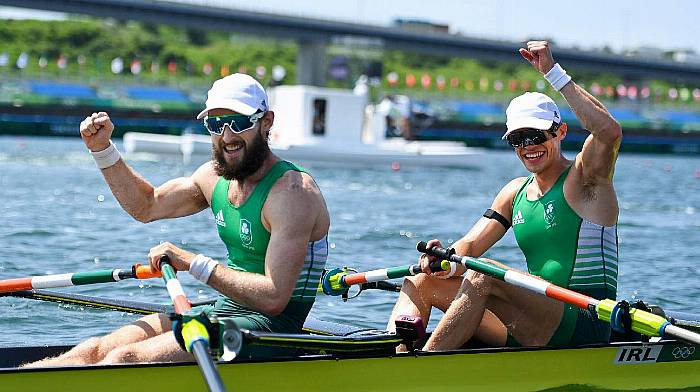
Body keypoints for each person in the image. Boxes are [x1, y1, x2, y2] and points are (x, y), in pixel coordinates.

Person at [27, 73, 330, 366]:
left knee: (124, 359)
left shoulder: (292, 193)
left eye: (238, 123)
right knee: (92, 351)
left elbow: (274, 298)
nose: (227, 136)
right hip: (226, 312)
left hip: (272, 331)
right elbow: (146, 206)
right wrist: (103, 151)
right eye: (216, 124)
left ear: (267, 122)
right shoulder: (213, 177)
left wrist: (191, 262)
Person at [387, 40, 622, 351]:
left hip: (585, 321)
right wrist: (443, 260)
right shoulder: (515, 193)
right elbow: (469, 246)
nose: (527, 146)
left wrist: (554, 74)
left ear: (561, 132)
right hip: (533, 318)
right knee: (421, 279)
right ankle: (388, 356)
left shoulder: (586, 179)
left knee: (485, 274)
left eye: (535, 135)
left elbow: (609, 133)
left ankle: (424, 366)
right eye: (518, 139)